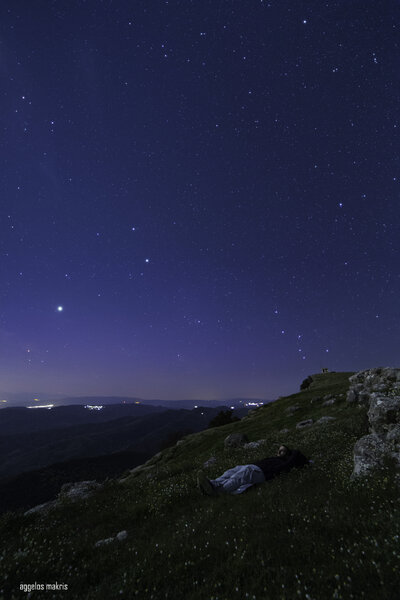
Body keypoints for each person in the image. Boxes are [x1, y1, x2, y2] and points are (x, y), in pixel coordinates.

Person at [197, 445, 310, 496]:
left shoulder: (286, 462)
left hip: (260, 473)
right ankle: (213, 483)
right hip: (253, 468)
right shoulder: (276, 458)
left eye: (282, 451)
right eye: (279, 450)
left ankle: (217, 492)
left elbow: (297, 453)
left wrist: (291, 453)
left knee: (237, 478)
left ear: (288, 454)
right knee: (231, 472)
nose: (279, 452)